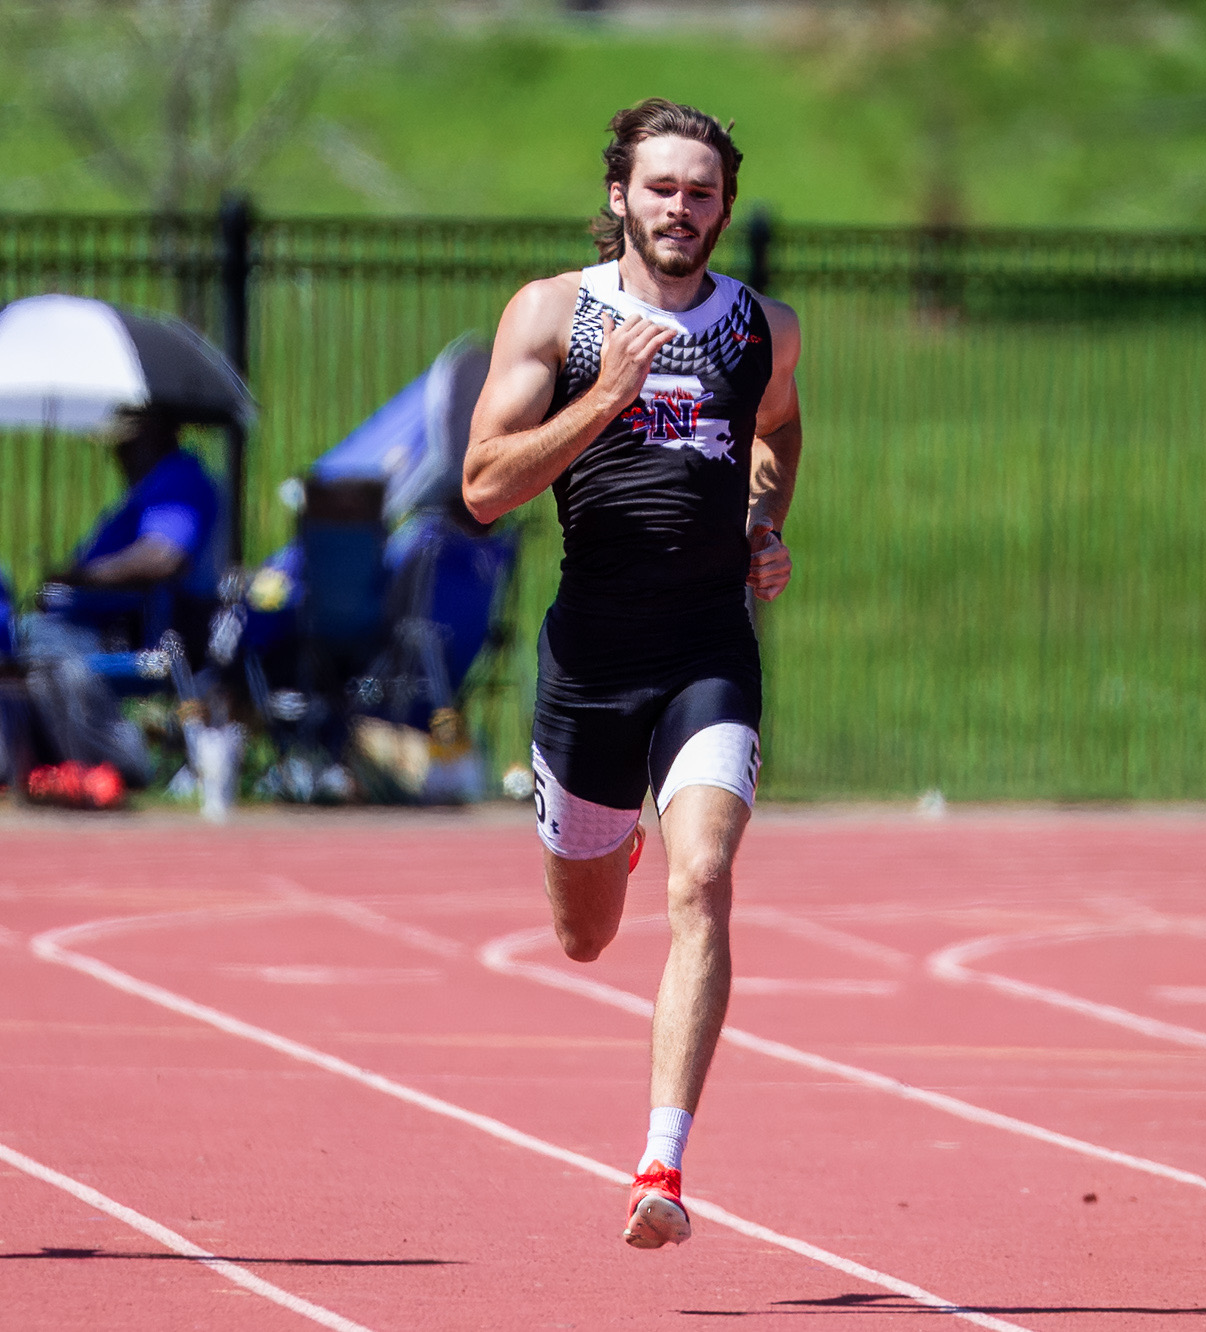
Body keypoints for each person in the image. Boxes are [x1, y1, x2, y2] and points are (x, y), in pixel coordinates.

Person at [463, 98, 801, 1249]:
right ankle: (606, 821)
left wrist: (762, 518)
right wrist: (605, 393)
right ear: (619, 195)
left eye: (700, 192)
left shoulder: (762, 326)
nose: (679, 209)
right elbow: (481, 487)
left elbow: (777, 428)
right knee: (585, 936)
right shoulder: (555, 314)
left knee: (701, 882)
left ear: (723, 209)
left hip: (706, 649)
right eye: (660, 188)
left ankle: (658, 1166)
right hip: (589, 662)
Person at [41, 406, 219, 653]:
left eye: (127, 446)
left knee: (16, 644)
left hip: (119, 632)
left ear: (155, 433)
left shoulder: (178, 478)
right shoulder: (161, 480)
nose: (119, 456)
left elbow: (163, 557)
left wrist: (82, 578)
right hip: (98, 623)